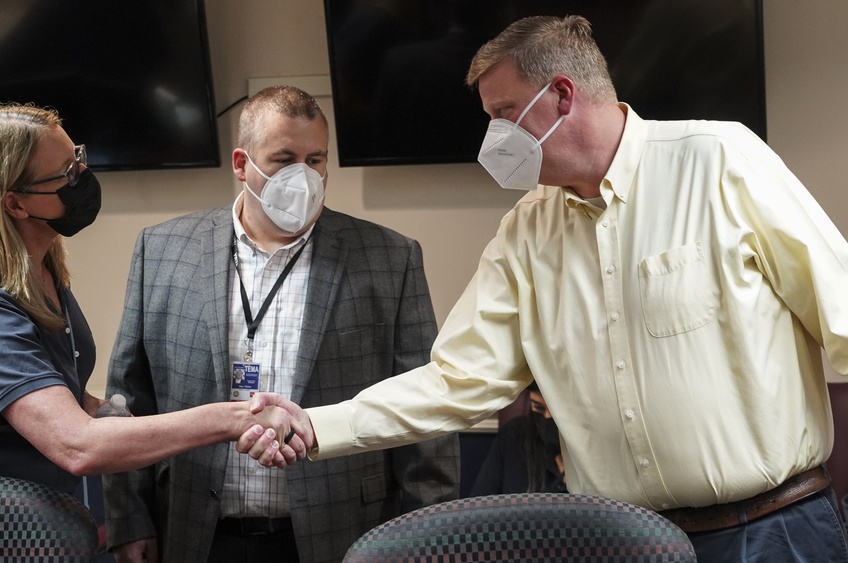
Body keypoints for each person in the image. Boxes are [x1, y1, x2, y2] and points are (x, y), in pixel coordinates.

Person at [244, 15, 848, 563]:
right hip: (622, 543)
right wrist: (319, 425)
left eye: (504, 114)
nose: (493, 138)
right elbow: (457, 379)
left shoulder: (720, 161)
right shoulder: (528, 231)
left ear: (562, 95)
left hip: (771, 532)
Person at [101, 85, 460, 563]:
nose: (303, 176)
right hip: (193, 530)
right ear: (241, 164)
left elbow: (423, 410)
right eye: (284, 158)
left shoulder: (389, 258)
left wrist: (431, 538)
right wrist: (129, 520)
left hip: (342, 532)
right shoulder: (163, 251)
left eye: (315, 160)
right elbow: (129, 398)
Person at [0, 103, 298, 495]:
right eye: (66, 175)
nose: (83, 177)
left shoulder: (41, 275)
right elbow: (77, 445)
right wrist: (236, 418)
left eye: (78, 159)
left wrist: (105, 410)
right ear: (15, 203)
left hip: (33, 527)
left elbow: (61, 399)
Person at [468, 382, 566, 497]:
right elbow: (480, 503)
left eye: (556, 411)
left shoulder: (590, 452)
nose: (547, 417)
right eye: (538, 408)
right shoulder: (514, 436)